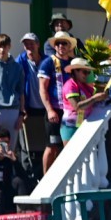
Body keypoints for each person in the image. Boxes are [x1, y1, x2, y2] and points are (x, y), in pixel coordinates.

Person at [38, 31, 77, 174]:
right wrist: (49, 110)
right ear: (54, 46)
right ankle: (45, 180)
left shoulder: (74, 63)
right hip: (55, 110)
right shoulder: (48, 62)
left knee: (69, 145)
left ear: (69, 46)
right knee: (52, 145)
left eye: (64, 43)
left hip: (71, 112)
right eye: (58, 43)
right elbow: (42, 89)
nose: (61, 46)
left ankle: (63, 177)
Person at [61, 58, 107, 142]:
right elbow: (77, 107)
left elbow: (94, 96)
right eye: (84, 72)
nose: (87, 75)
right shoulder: (70, 85)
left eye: (88, 72)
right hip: (70, 127)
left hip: (81, 126)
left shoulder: (84, 85)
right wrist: (94, 98)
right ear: (75, 71)